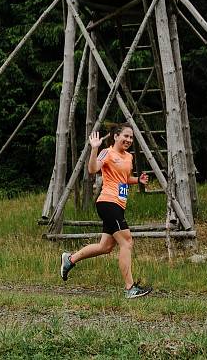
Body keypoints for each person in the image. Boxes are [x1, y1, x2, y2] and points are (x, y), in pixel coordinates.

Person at [60, 124, 152, 298]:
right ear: (116, 136)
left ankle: (70, 259)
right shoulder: (107, 152)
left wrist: (138, 180)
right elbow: (92, 169)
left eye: (131, 138)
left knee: (106, 246)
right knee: (127, 242)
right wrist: (94, 149)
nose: (129, 140)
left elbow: (123, 179)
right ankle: (130, 288)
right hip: (107, 203)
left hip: (118, 204)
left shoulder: (129, 157)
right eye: (126, 136)